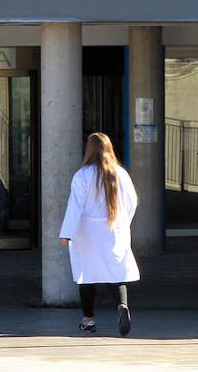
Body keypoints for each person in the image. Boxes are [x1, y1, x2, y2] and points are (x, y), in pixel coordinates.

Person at [59, 132, 140, 336]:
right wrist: (123, 223)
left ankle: (88, 320)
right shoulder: (120, 174)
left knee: (87, 275)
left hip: (88, 231)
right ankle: (122, 305)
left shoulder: (83, 175)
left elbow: (75, 206)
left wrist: (67, 232)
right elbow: (132, 202)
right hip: (114, 229)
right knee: (116, 272)